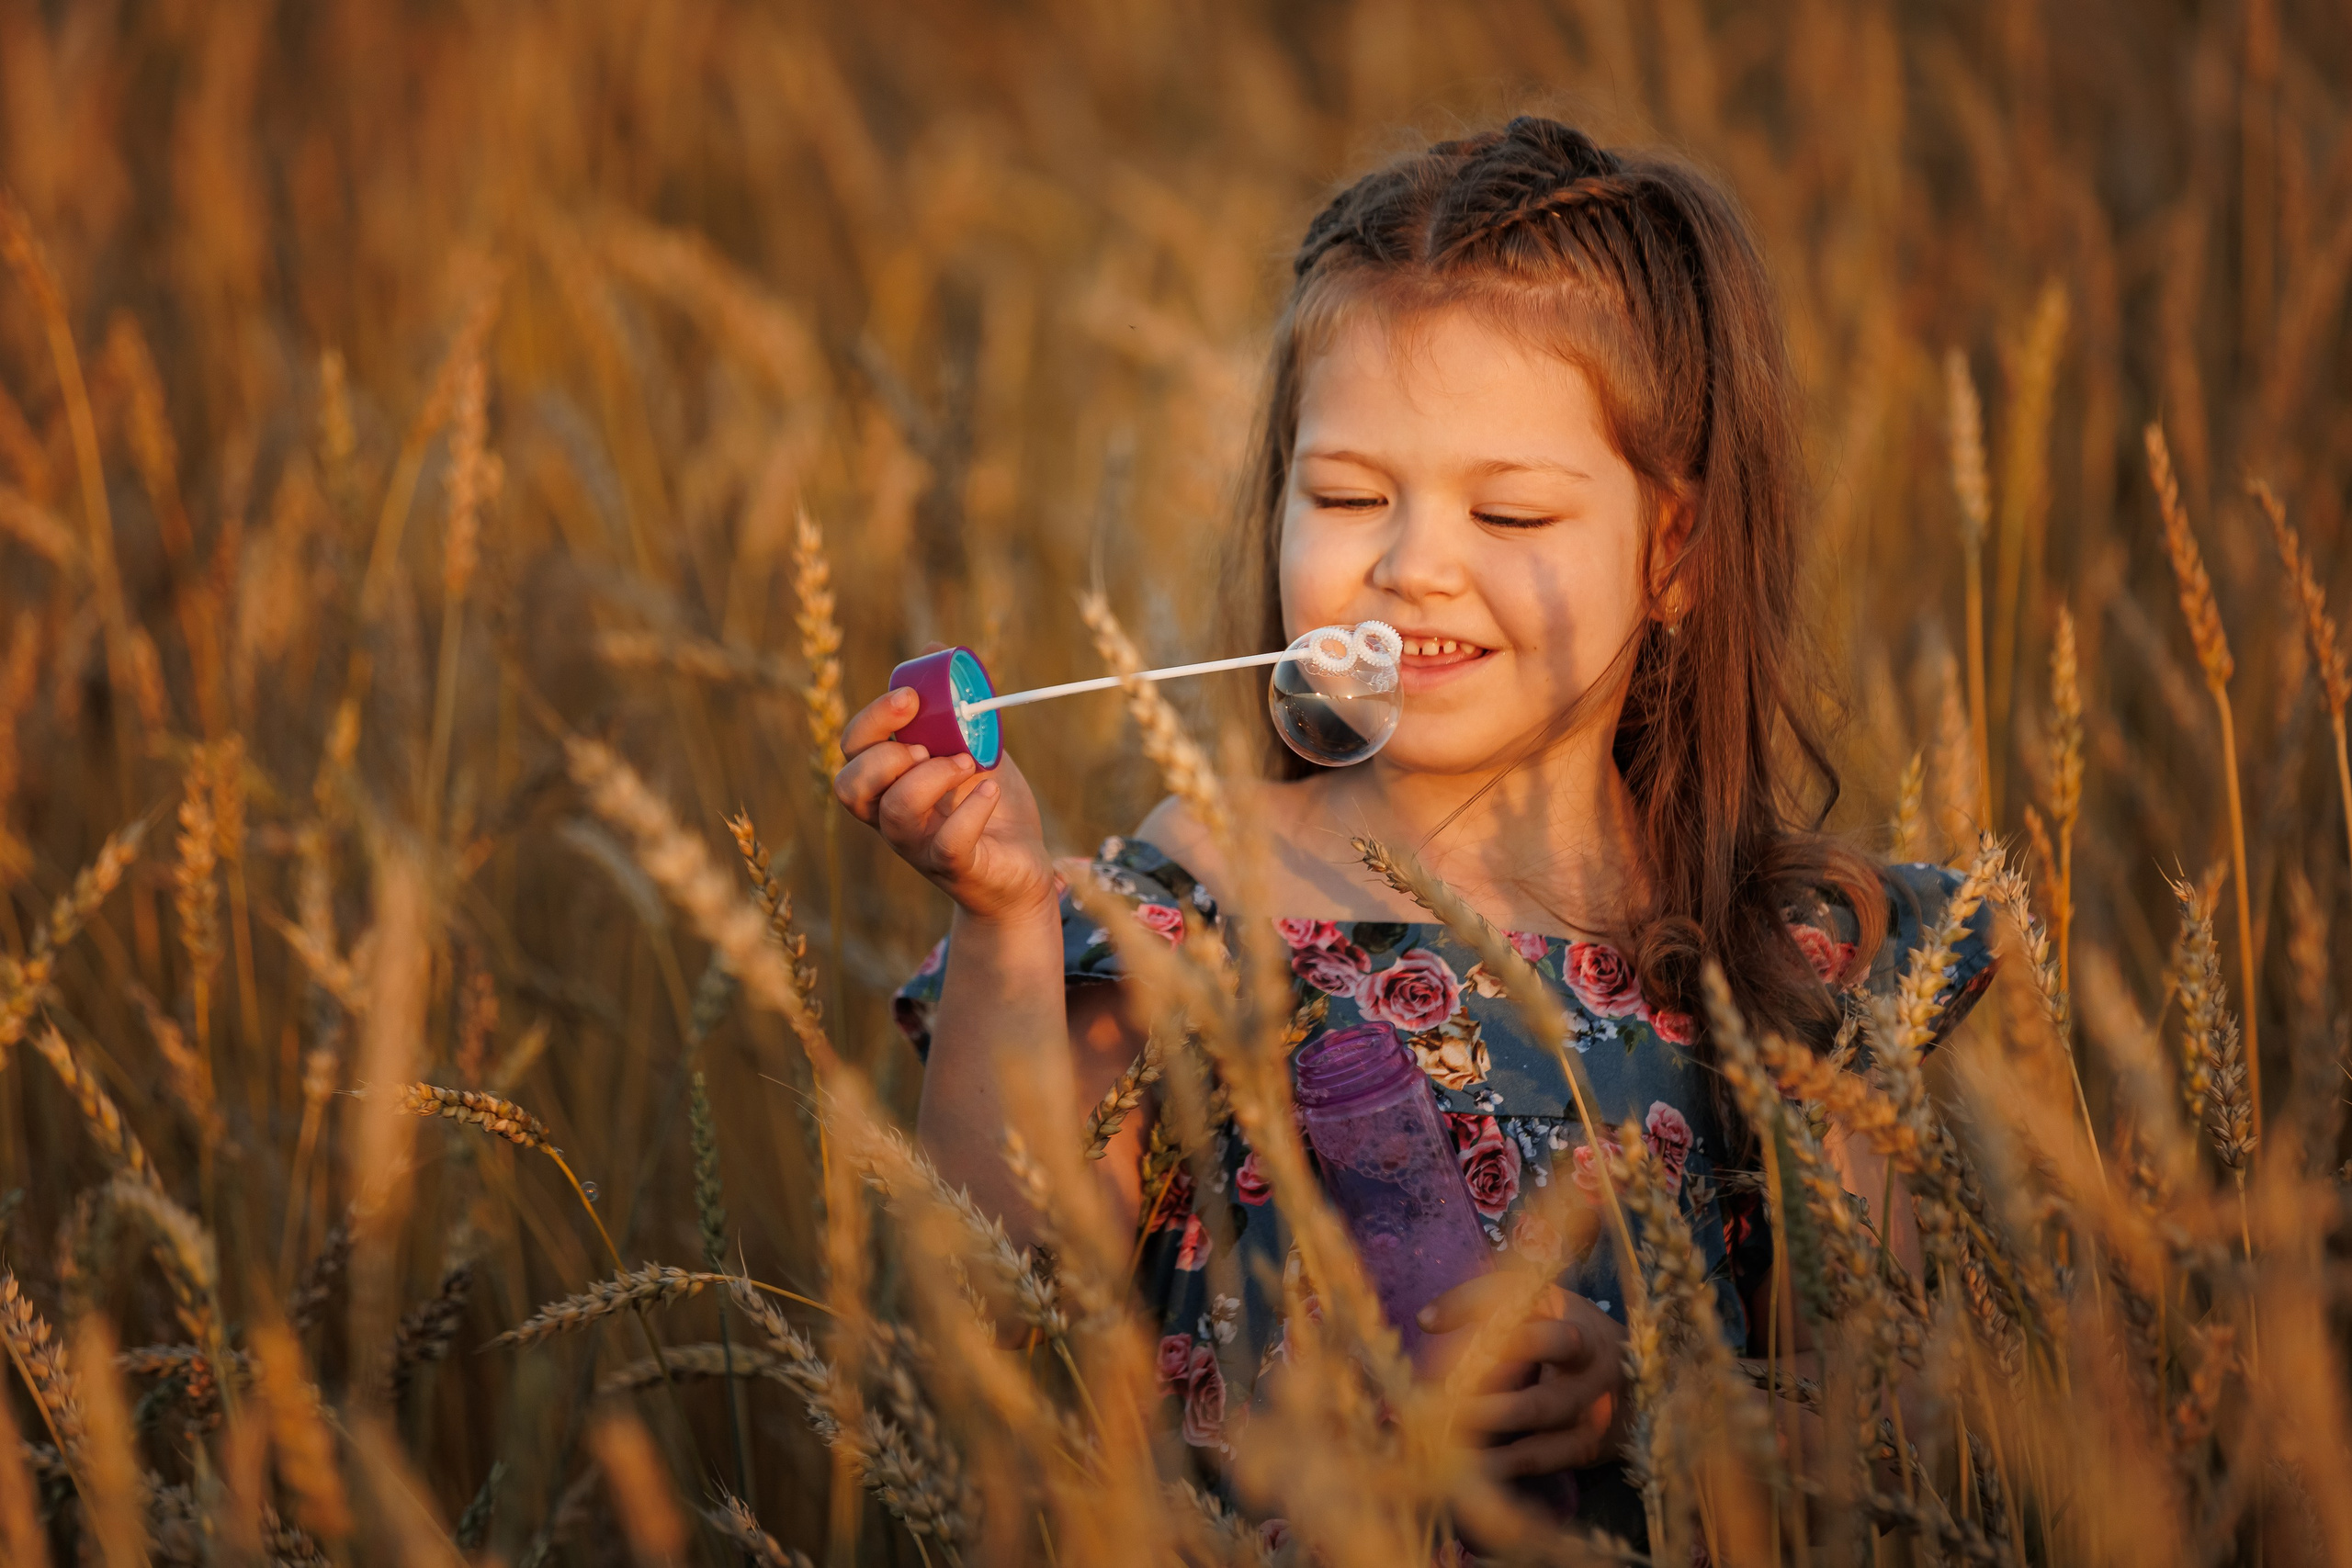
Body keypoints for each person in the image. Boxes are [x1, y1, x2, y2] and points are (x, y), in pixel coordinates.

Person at [834, 116, 1995, 1536]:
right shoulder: (1196, 896)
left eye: (1508, 514)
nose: (1412, 565)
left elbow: (1889, 1437)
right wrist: (1005, 922)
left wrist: (1654, 1401)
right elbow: (992, 1280)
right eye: (1347, 496)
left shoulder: (1781, 961)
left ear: (1673, 555)